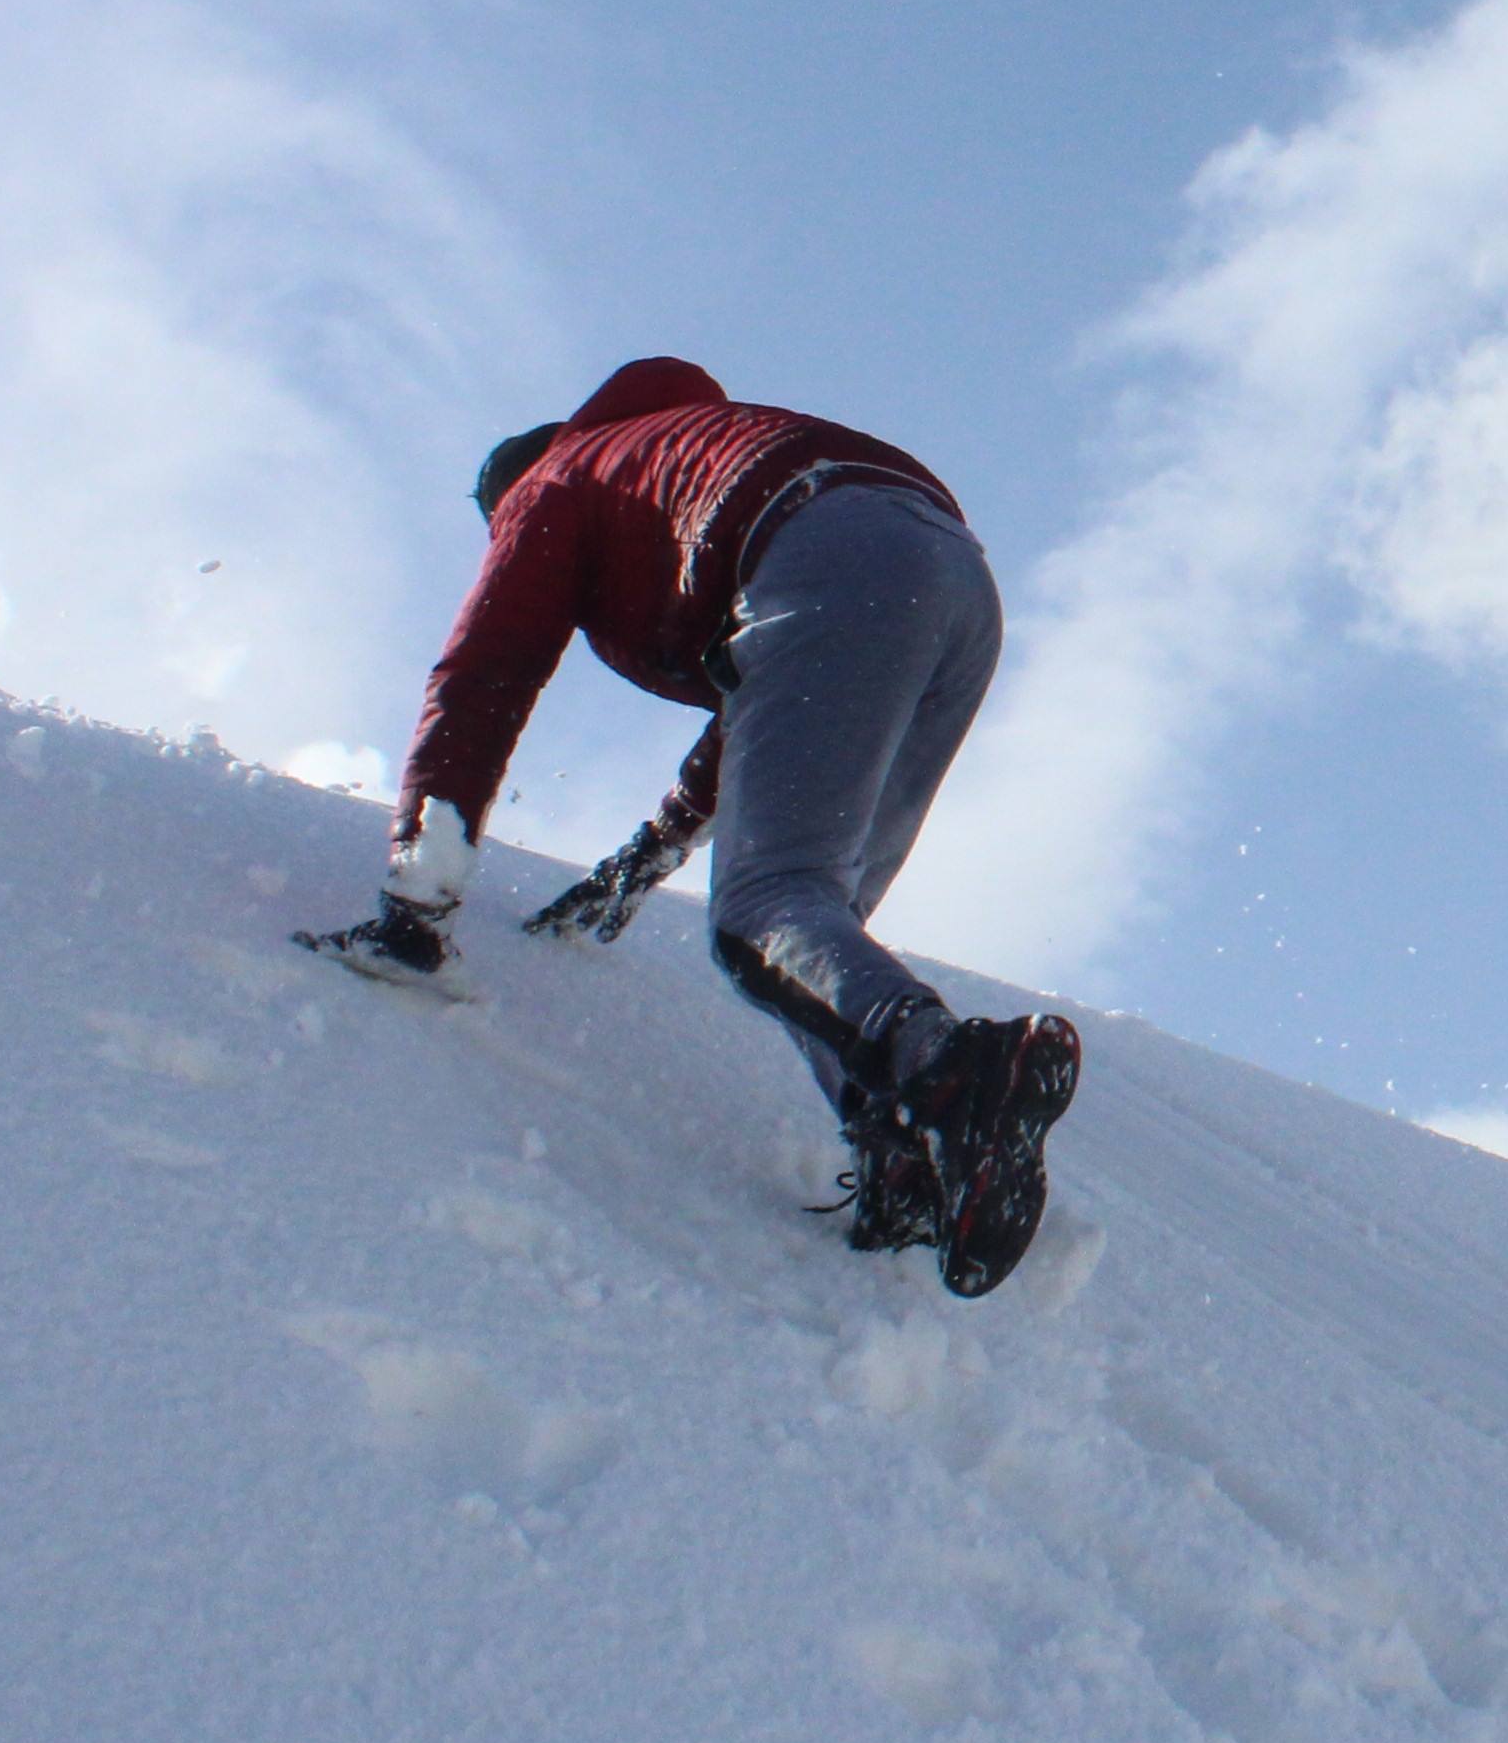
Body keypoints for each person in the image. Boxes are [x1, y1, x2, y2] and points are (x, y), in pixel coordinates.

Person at [301, 355, 1078, 1297]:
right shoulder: (677, 456)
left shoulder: (552, 481)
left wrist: (417, 902)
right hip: (952, 579)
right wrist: (648, 853)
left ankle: (952, 1073)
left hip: (833, 554)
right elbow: (767, 695)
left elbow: (483, 675)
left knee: (765, 911)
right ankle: (907, 1159)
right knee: (817, 930)